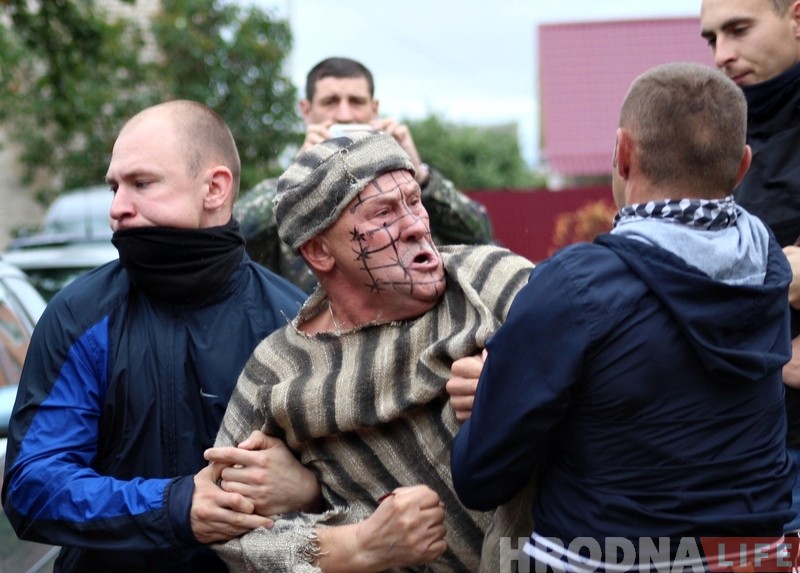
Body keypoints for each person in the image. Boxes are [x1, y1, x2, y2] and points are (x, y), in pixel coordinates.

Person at [450, 62, 796, 572]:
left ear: (623, 152)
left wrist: (501, 393)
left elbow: (481, 478)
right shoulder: (767, 263)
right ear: (743, 166)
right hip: (764, 556)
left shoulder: (577, 284)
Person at [1, 100, 311, 573]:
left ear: (214, 188)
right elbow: (33, 485)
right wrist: (174, 505)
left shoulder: (293, 319)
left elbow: (362, 482)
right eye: (114, 187)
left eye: (141, 183)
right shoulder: (78, 314)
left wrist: (308, 487)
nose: (117, 208)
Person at [206, 130, 535, 572]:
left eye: (414, 201)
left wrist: (529, 383)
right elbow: (226, 531)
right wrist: (356, 545)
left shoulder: (494, 283)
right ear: (320, 251)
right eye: (384, 214)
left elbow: (622, 377)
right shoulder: (278, 370)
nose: (417, 225)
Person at [234, 56, 495, 293]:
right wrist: (299, 180)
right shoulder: (278, 192)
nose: (345, 115)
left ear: (374, 109)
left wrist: (418, 175)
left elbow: (479, 234)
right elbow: (233, 236)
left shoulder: (407, 187)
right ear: (306, 110)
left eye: (356, 102)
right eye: (330, 102)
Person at [700, 0, 800, 532]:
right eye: (711, 39)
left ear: (797, 19)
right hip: (730, 455)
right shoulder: (705, 136)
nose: (722, 54)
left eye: (739, 30)